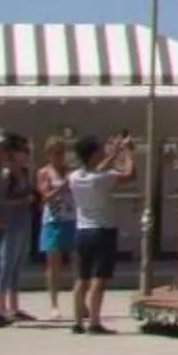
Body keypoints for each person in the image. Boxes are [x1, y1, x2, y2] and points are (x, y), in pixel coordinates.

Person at [67, 133, 136, 335]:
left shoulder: (74, 177)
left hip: (82, 231)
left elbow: (95, 169)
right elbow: (129, 174)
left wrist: (114, 153)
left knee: (82, 278)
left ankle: (78, 322)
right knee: (99, 278)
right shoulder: (103, 179)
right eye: (98, 150)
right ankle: (95, 322)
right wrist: (128, 153)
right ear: (92, 154)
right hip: (102, 231)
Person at [0, 135, 36, 323]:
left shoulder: (24, 172)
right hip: (9, 223)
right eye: (21, 151)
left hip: (23, 221)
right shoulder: (6, 175)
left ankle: (14, 306)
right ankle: (0, 306)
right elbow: (3, 201)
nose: (25, 154)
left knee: (17, 266)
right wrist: (23, 201)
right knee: (6, 265)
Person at [36, 135, 77, 315]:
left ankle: (80, 301)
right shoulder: (44, 172)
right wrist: (62, 187)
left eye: (62, 153)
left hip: (72, 218)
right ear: (49, 155)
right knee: (54, 264)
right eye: (56, 153)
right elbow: (45, 196)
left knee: (78, 262)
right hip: (53, 220)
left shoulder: (70, 171)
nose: (60, 157)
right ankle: (54, 303)